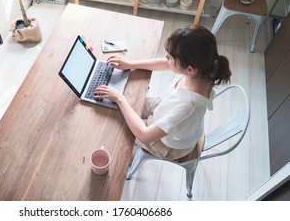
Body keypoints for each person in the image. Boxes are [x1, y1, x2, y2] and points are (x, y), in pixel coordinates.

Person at [94, 25, 231, 161]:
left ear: (190, 70)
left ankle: (125, 161)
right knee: (121, 104)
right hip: (164, 110)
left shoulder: (188, 107)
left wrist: (120, 99)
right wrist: (130, 64)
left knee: (116, 126)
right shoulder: (204, 70)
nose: (166, 57)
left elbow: (144, 135)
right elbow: (166, 64)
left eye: (171, 57)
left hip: (167, 145)